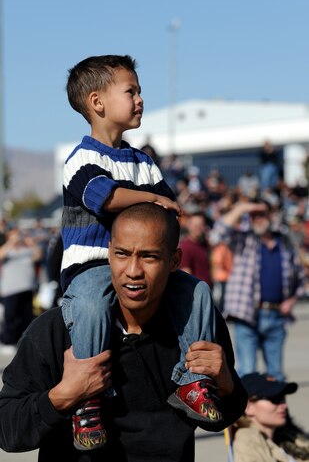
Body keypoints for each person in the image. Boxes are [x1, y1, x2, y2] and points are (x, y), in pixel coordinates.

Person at [0, 203, 248, 462]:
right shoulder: (57, 329)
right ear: (108, 253)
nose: (133, 271)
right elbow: (8, 431)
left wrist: (226, 384)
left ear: (174, 260)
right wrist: (65, 394)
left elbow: (219, 419)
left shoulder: (196, 324)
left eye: (149, 256)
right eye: (122, 254)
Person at [61, 55, 222, 450]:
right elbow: (107, 196)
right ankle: (87, 398)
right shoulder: (81, 159)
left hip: (144, 266)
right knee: (88, 307)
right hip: (92, 268)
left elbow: (168, 211)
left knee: (196, 290)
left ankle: (192, 381)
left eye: (139, 91)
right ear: (97, 103)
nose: (140, 99)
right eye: (130, 91)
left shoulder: (144, 162)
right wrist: (152, 198)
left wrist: (159, 202)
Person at [210, 199, 306, 380]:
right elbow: (218, 233)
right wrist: (243, 207)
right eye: (253, 216)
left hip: (276, 315)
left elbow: (301, 280)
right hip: (247, 314)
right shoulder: (244, 240)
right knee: (247, 372)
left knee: (276, 375)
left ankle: (276, 408)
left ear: (271, 216)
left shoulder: (285, 244)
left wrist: (292, 300)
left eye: (261, 214)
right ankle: (249, 409)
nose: (258, 219)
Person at [233, 372, 309, 462]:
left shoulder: (287, 435)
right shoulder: (247, 440)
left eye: (282, 398)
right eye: (275, 399)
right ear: (248, 407)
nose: (284, 405)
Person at [0, 224, 42, 353]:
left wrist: (32, 243)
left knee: (26, 317)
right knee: (11, 316)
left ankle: (23, 340)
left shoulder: (26, 249)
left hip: (27, 288)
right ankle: (8, 341)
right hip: (10, 289)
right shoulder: (7, 250)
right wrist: (11, 242)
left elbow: (38, 255)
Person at [179, 211, 212, 286]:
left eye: (201, 225)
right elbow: (186, 275)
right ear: (189, 226)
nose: (198, 228)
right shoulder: (185, 247)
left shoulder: (205, 245)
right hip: (196, 291)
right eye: (195, 225)